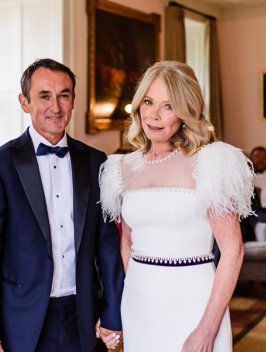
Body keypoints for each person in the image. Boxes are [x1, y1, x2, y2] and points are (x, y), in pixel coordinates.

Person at [0, 58, 124, 352]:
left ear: (73, 100)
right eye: (44, 96)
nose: (56, 106)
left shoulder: (95, 162)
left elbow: (107, 247)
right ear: (24, 102)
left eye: (64, 95)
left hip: (83, 316)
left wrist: (112, 314)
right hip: (21, 319)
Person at [99, 61, 254, 351]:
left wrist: (207, 329)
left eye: (168, 106)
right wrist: (115, 311)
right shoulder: (122, 168)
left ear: (185, 112)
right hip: (138, 304)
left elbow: (233, 251)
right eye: (148, 102)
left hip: (194, 304)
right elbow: (126, 245)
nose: (154, 115)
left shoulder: (209, 164)